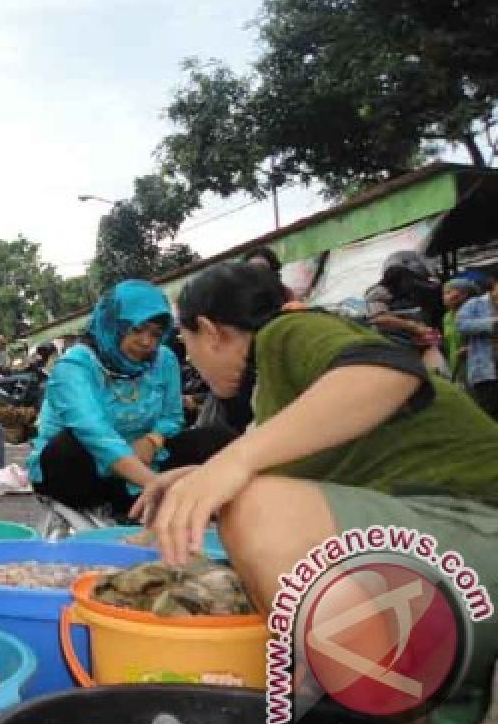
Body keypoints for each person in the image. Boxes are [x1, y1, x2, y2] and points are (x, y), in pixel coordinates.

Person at [136, 262, 498, 686]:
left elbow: (387, 374)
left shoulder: (286, 331)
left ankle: (377, 706)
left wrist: (230, 466)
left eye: (187, 341)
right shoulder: (274, 385)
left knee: (255, 507)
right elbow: (303, 457)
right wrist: (200, 474)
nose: (190, 359)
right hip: (454, 561)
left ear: (209, 330)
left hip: (475, 533)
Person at [27, 280, 184, 517]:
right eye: (137, 329)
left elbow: (173, 417)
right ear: (113, 325)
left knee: (209, 439)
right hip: (82, 471)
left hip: (145, 460)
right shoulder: (74, 366)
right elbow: (95, 434)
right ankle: (138, 499)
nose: (146, 342)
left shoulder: (164, 360)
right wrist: (156, 485)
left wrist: (153, 439)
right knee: (67, 448)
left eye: (155, 334)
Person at [365, 250, 447, 375]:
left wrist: (434, 338)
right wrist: (413, 326)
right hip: (395, 345)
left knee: (441, 376)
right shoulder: (380, 291)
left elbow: (432, 326)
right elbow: (379, 318)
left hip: (425, 342)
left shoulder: (427, 290)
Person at [458, 276, 498, 418]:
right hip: (485, 371)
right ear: (494, 284)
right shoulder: (475, 303)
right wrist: (492, 324)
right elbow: (461, 324)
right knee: (489, 411)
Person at [443, 277, 481, 382]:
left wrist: (470, 349)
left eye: (448, 292)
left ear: (464, 295)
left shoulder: (477, 314)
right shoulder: (447, 317)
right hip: (455, 370)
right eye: (443, 293)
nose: (444, 297)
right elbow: (447, 343)